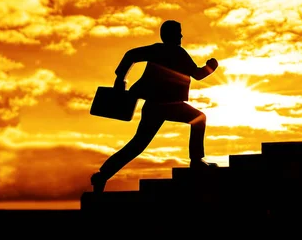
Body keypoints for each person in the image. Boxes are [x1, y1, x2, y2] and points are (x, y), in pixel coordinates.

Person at [90, 20, 219, 193]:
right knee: (199, 119)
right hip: (167, 105)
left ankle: (102, 175)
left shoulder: (159, 50)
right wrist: (211, 67)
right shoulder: (175, 52)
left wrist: (120, 78)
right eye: (178, 32)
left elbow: (130, 55)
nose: (181, 36)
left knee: (137, 145)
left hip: (155, 106)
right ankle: (196, 161)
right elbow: (197, 74)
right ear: (171, 34)